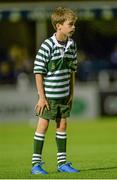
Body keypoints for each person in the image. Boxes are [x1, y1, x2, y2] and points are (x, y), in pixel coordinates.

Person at [31, 7, 79, 174]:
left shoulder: (72, 45)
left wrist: (71, 93)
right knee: (43, 126)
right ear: (59, 26)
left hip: (63, 96)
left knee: (63, 125)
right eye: (70, 24)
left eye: (74, 24)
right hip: (49, 97)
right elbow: (38, 71)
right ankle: (35, 164)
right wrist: (41, 97)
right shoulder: (47, 45)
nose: (73, 27)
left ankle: (62, 163)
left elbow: (72, 71)